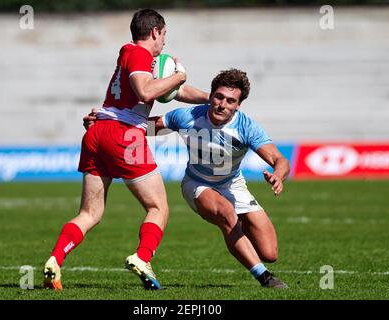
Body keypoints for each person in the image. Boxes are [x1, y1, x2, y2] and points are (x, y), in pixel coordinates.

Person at [43, 8, 208, 291]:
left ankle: (55, 260)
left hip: (98, 132)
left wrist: (212, 98)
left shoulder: (133, 55)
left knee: (90, 213)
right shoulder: (141, 54)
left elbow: (173, 92)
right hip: (124, 136)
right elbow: (146, 92)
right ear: (155, 31)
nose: (165, 41)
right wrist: (179, 76)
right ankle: (143, 258)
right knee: (158, 207)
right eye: (164, 34)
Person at [84, 69, 290, 288]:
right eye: (218, 97)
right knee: (227, 217)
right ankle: (265, 277)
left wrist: (278, 175)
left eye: (230, 101)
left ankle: (239, 233)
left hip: (233, 185)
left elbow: (280, 160)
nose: (222, 104)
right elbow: (145, 128)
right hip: (197, 184)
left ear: (238, 105)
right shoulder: (188, 117)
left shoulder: (247, 127)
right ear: (211, 96)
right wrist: (104, 124)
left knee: (270, 252)